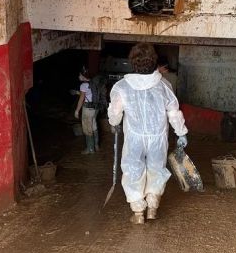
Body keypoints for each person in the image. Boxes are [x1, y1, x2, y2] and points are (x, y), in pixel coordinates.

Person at [108, 43, 188, 225]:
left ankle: (138, 213)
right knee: (156, 169)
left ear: (132, 62)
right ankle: (152, 208)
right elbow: (173, 112)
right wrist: (181, 132)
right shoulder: (164, 85)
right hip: (157, 137)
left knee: (132, 169)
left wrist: (114, 123)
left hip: (134, 137)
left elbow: (115, 111)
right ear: (153, 62)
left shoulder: (122, 87)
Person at [74, 68, 99, 154]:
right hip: (95, 108)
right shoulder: (93, 82)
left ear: (84, 77)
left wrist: (77, 111)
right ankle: (96, 145)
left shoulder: (83, 85)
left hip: (87, 109)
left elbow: (81, 99)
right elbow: (89, 94)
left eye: (80, 75)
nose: (79, 76)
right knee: (94, 126)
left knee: (87, 128)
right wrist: (78, 93)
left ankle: (90, 149)